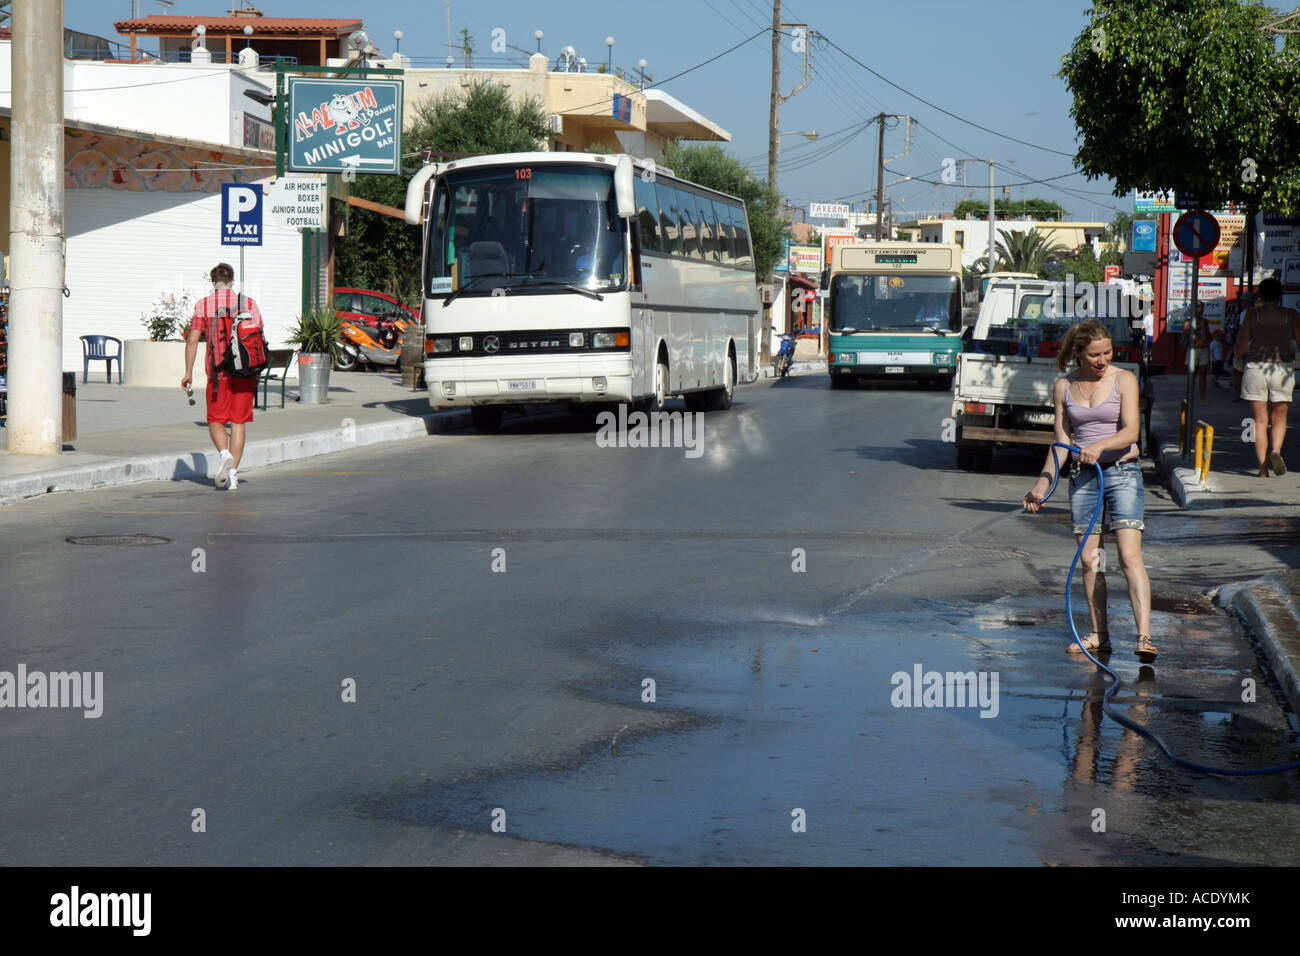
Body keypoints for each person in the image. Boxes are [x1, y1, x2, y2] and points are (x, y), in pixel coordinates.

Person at [1022, 319, 1155, 663]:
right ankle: (1099, 634)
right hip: (1083, 477)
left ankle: (1144, 636)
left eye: (1107, 352)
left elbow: (1131, 432)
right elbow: (1062, 442)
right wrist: (1042, 484)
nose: (1103, 360)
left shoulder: (1125, 379)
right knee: (1089, 560)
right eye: (1095, 354)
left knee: (1128, 555)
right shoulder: (1064, 386)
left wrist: (1100, 445)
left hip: (1123, 471)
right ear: (1079, 353)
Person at [181, 263, 264, 490]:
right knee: (238, 422)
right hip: (245, 372)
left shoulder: (203, 305)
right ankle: (234, 475)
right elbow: (259, 338)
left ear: (213, 281)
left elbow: (192, 341)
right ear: (233, 281)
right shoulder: (249, 303)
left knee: (216, 420)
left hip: (218, 374)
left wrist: (188, 372)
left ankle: (224, 453)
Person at [1234, 277, 1300, 477]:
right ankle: (1276, 451)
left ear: (1260, 295)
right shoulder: (1291, 315)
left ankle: (1262, 468)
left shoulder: (1253, 315)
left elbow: (1242, 346)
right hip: (1282, 368)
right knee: (1280, 417)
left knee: (1260, 420)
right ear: (1280, 295)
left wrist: (1239, 353)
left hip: (1256, 367)